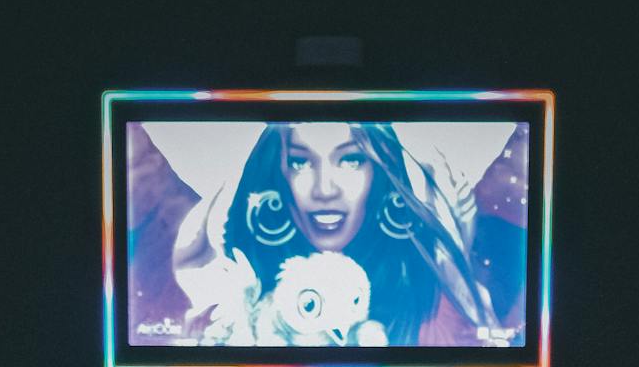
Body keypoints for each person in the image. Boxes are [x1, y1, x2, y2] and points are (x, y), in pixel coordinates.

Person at [146, 118, 514, 348]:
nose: (325, 189)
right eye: (301, 161)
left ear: (381, 174)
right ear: (278, 174)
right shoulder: (233, 296)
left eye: (350, 159)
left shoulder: (430, 296)